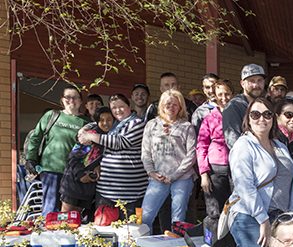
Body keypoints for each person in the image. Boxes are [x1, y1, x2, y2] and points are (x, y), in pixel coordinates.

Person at [229, 97, 293, 247]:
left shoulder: (280, 146)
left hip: (279, 217)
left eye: (267, 114)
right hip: (250, 217)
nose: (262, 119)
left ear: (273, 118)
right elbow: (244, 186)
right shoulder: (243, 146)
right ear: (248, 118)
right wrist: (263, 220)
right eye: (255, 114)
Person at [25, 85, 90, 215]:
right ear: (62, 100)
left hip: (73, 174)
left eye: (75, 97)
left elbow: (88, 149)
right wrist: (31, 158)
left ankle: (66, 235)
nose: (71, 100)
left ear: (81, 101)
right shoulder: (51, 115)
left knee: (70, 213)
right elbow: (35, 138)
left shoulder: (85, 122)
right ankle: (48, 235)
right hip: (51, 170)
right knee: (50, 210)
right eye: (68, 97)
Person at [80, 94, 148, 218]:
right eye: (114, 108)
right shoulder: (115, 124)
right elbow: (97, 122)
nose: (118, 110)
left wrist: (90, 136)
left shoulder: (137, 123)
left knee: (130, 232)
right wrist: (85, 129)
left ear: (129, 106)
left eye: (121, 106)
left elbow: (120, 142)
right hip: (105, 191)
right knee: (103, 230)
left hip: (131, 193)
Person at [140, 89, 197, 232]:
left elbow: (191, 154)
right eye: (168, 104)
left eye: (175, 105)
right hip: (157, 177)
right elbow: (145, 152)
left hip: (182, 178)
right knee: (146, 215)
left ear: (180, 107)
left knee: (177, 219)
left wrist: (174, 175)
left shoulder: (186, 126)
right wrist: (151, 172)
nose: (171, 107)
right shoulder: (151, 125)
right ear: (161, 105)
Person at [59, 106, 113, 215]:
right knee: (65, 219)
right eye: (102, 120)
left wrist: (98, 167)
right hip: (74, 183)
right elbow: (73, 158)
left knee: (76, 220)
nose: (106, 123)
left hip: (88, 188)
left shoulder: (110, 137)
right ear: (97, 121)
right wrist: (81, 175)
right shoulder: (89, 136)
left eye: (109, 120)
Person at [197, 80, 233, 236]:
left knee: (234, 209)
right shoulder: (210, 118)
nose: (224, 97)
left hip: (236, 167)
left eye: (227, 94)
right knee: (214, 210)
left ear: (233, 94)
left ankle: (232, 245)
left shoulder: (240, 115)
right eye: (220, 94)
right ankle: (211, 243)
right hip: (215, 168)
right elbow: (201, 146)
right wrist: (204, 174)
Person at [222, 64, 266, 149]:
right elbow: (233, 140)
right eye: (251, 81)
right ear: (242, 84)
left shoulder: (265, 105)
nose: (256, 85)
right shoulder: (233, 107)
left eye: (259, 80)